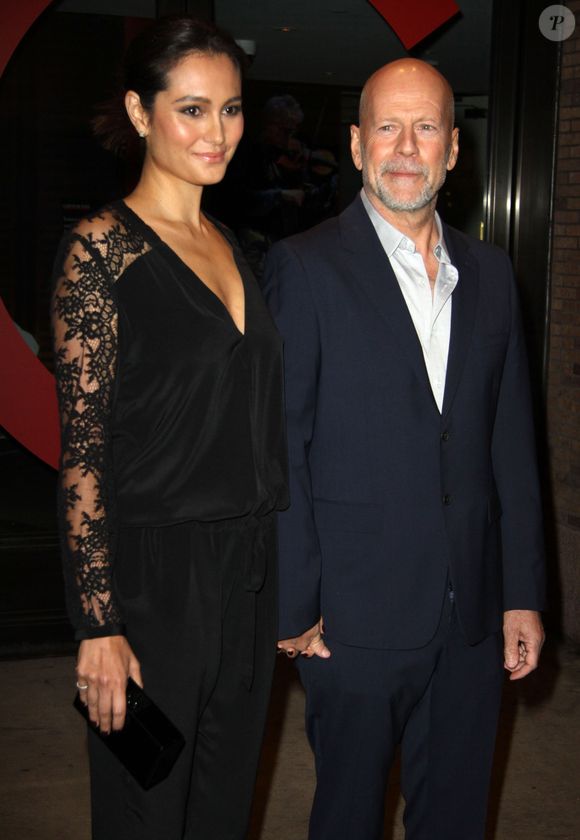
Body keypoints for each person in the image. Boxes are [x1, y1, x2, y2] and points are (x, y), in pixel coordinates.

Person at [263, 58, 546, 840]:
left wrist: (521, 591)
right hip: (352, 620)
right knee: (349, 815)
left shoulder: (491, 274)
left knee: (456, 817)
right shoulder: (304, 268)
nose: (406, 147)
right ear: (356, 145)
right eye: (387, 126)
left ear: (455, 149)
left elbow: (510, 446)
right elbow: (282, 444)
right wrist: (295, 604)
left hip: (473, 615)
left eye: (426, 128)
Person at [51, 16, 288, 840]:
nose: (216, 132)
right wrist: (100, 625)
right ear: (141, 112)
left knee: (224, 813)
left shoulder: (233, 245)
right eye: (191, 109)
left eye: (229, 110)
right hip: (152, 585)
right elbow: (81, 454)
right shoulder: (100, 252)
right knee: (145, 808)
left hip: (248, 577)